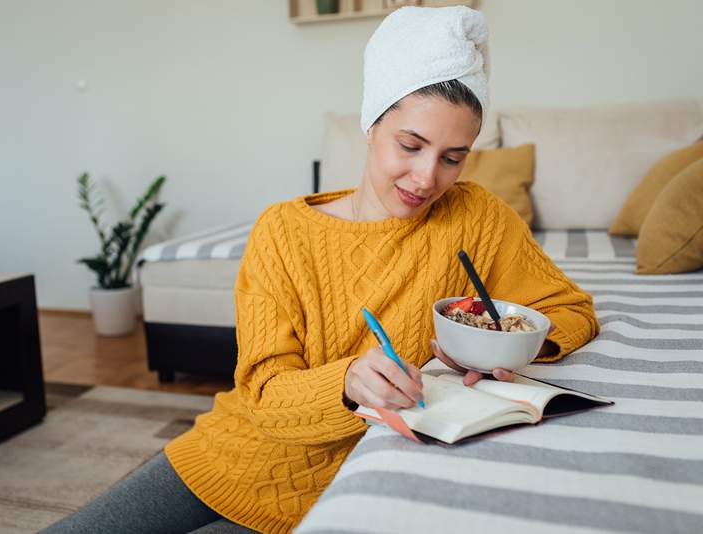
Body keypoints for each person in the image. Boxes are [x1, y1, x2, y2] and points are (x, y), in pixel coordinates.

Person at [41, 6, 598, 534]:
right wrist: (349, 382)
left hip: (350, 487)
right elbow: (263, 394)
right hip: (235, 452)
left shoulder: (478, 217)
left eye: (453, 157)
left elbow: (569, 310)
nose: (427, 178)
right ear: (370, 125)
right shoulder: (282, 232)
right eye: (411, 144)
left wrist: (499, 349)